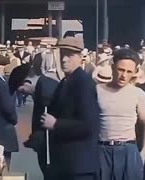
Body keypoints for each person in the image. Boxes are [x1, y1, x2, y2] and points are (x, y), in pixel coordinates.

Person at [41, 37, 100, 180]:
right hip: (65, 164)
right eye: (62, 54)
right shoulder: (66, 81)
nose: (64, 59)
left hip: (78, 166)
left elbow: (89, 125)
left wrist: (56, 124)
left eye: (70, 55)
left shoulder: (84, 83)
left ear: (81, 58)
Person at [97, 48, 145, 180]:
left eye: (129, 72)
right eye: (121, 70)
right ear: (112, 67)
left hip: (128, 150)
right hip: (101, 150)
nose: (124, 75)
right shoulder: (97, 91)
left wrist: (143, 153)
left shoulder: (138, 94)